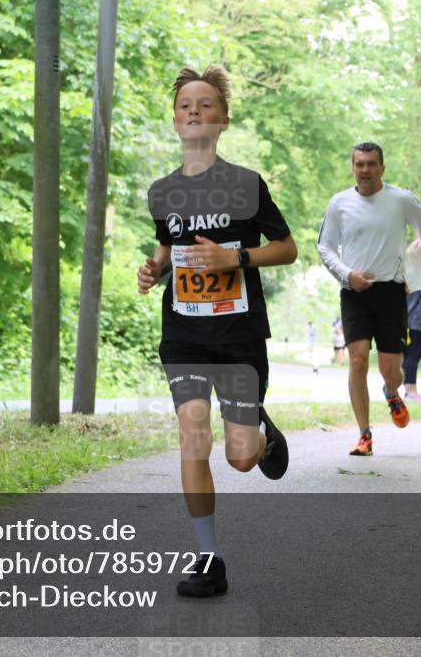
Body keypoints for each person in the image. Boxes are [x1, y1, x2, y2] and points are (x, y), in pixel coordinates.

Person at [138, 66, 298, 597]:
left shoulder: (246, 184)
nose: (194, 111)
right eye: (185, 103)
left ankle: (262, 433)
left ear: (223, 119)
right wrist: (154, 268)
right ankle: (208, 558)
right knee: (192, 436)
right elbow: (168, 247)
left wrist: (236, 257)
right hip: (183, 332)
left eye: (206, 104)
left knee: (240, 457)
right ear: (175, 119)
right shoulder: (162, 192)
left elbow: (287, 248)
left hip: (238, 336)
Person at [317, 142, 421, 455]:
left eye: (371, 164)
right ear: (353, 167)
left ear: (382, 167)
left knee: (390, 370)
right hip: (354, 291)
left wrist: (413, 268)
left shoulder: (400, 200)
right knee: (357, 360)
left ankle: (391, 391)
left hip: (390, 292)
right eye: (359, 164)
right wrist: (347, 275)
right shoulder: (339, 203)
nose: (365, 170)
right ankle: (364, 434)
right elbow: (325, 247)